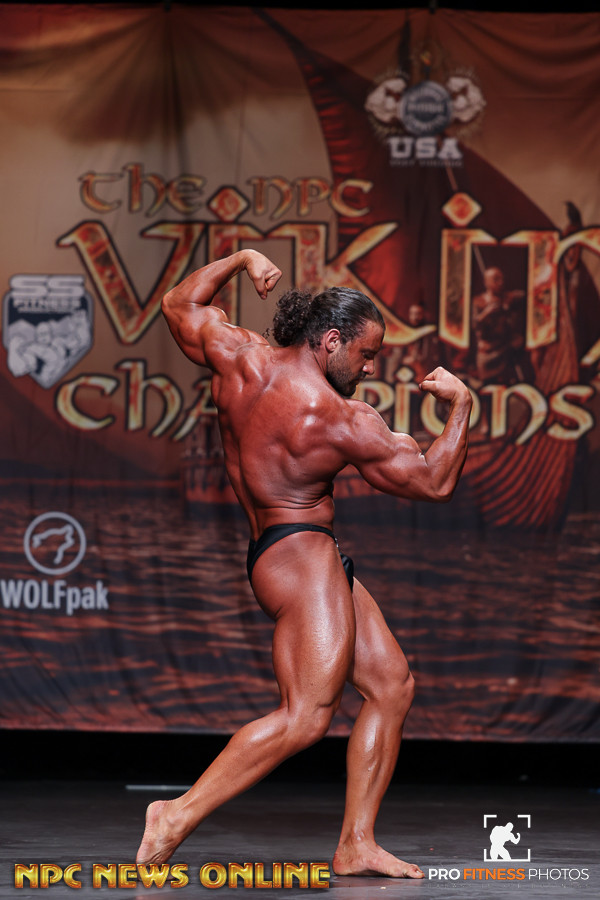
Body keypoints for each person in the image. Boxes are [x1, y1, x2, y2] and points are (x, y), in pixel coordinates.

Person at [137, 249, 472, 878]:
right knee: (307, 716)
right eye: (366, 355)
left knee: (391, 685)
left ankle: (356, 844)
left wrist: (241, 258)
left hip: (278, 551)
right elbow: (433, 483)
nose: (369, 369)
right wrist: (462, 406)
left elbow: (178, 303)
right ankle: (175, 814)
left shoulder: (239, 355)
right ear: (331, 340)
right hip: (304, 555)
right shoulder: (342, 419)